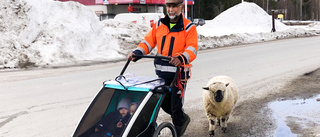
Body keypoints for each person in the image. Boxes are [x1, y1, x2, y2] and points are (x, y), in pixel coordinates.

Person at [127, 0, 198, 136]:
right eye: (169, 6)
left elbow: (192, 48)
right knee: (163, 105)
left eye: (174, 7)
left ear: (181, 7)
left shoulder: (189, 27)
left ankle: (179, 129)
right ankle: (182, 119)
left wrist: (181, 58)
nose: (171, 10)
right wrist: (137, 53)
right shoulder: (159, 24)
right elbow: (148, 42)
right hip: (162, 74)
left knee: (175, 107)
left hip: (179, 76)